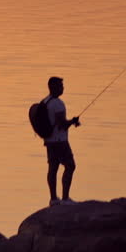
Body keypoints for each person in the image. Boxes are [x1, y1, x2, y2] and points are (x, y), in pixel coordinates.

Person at [43, 76, 80, 206]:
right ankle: (65, 198)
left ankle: (53, 198)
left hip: (49, 141)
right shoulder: (58, 103)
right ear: (53, 87)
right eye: (60, 86)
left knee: (53, 168)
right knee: (70, 166)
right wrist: (73, 121)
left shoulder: (45, 101)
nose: (63, 88)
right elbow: (61, 125)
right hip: (60, 141)